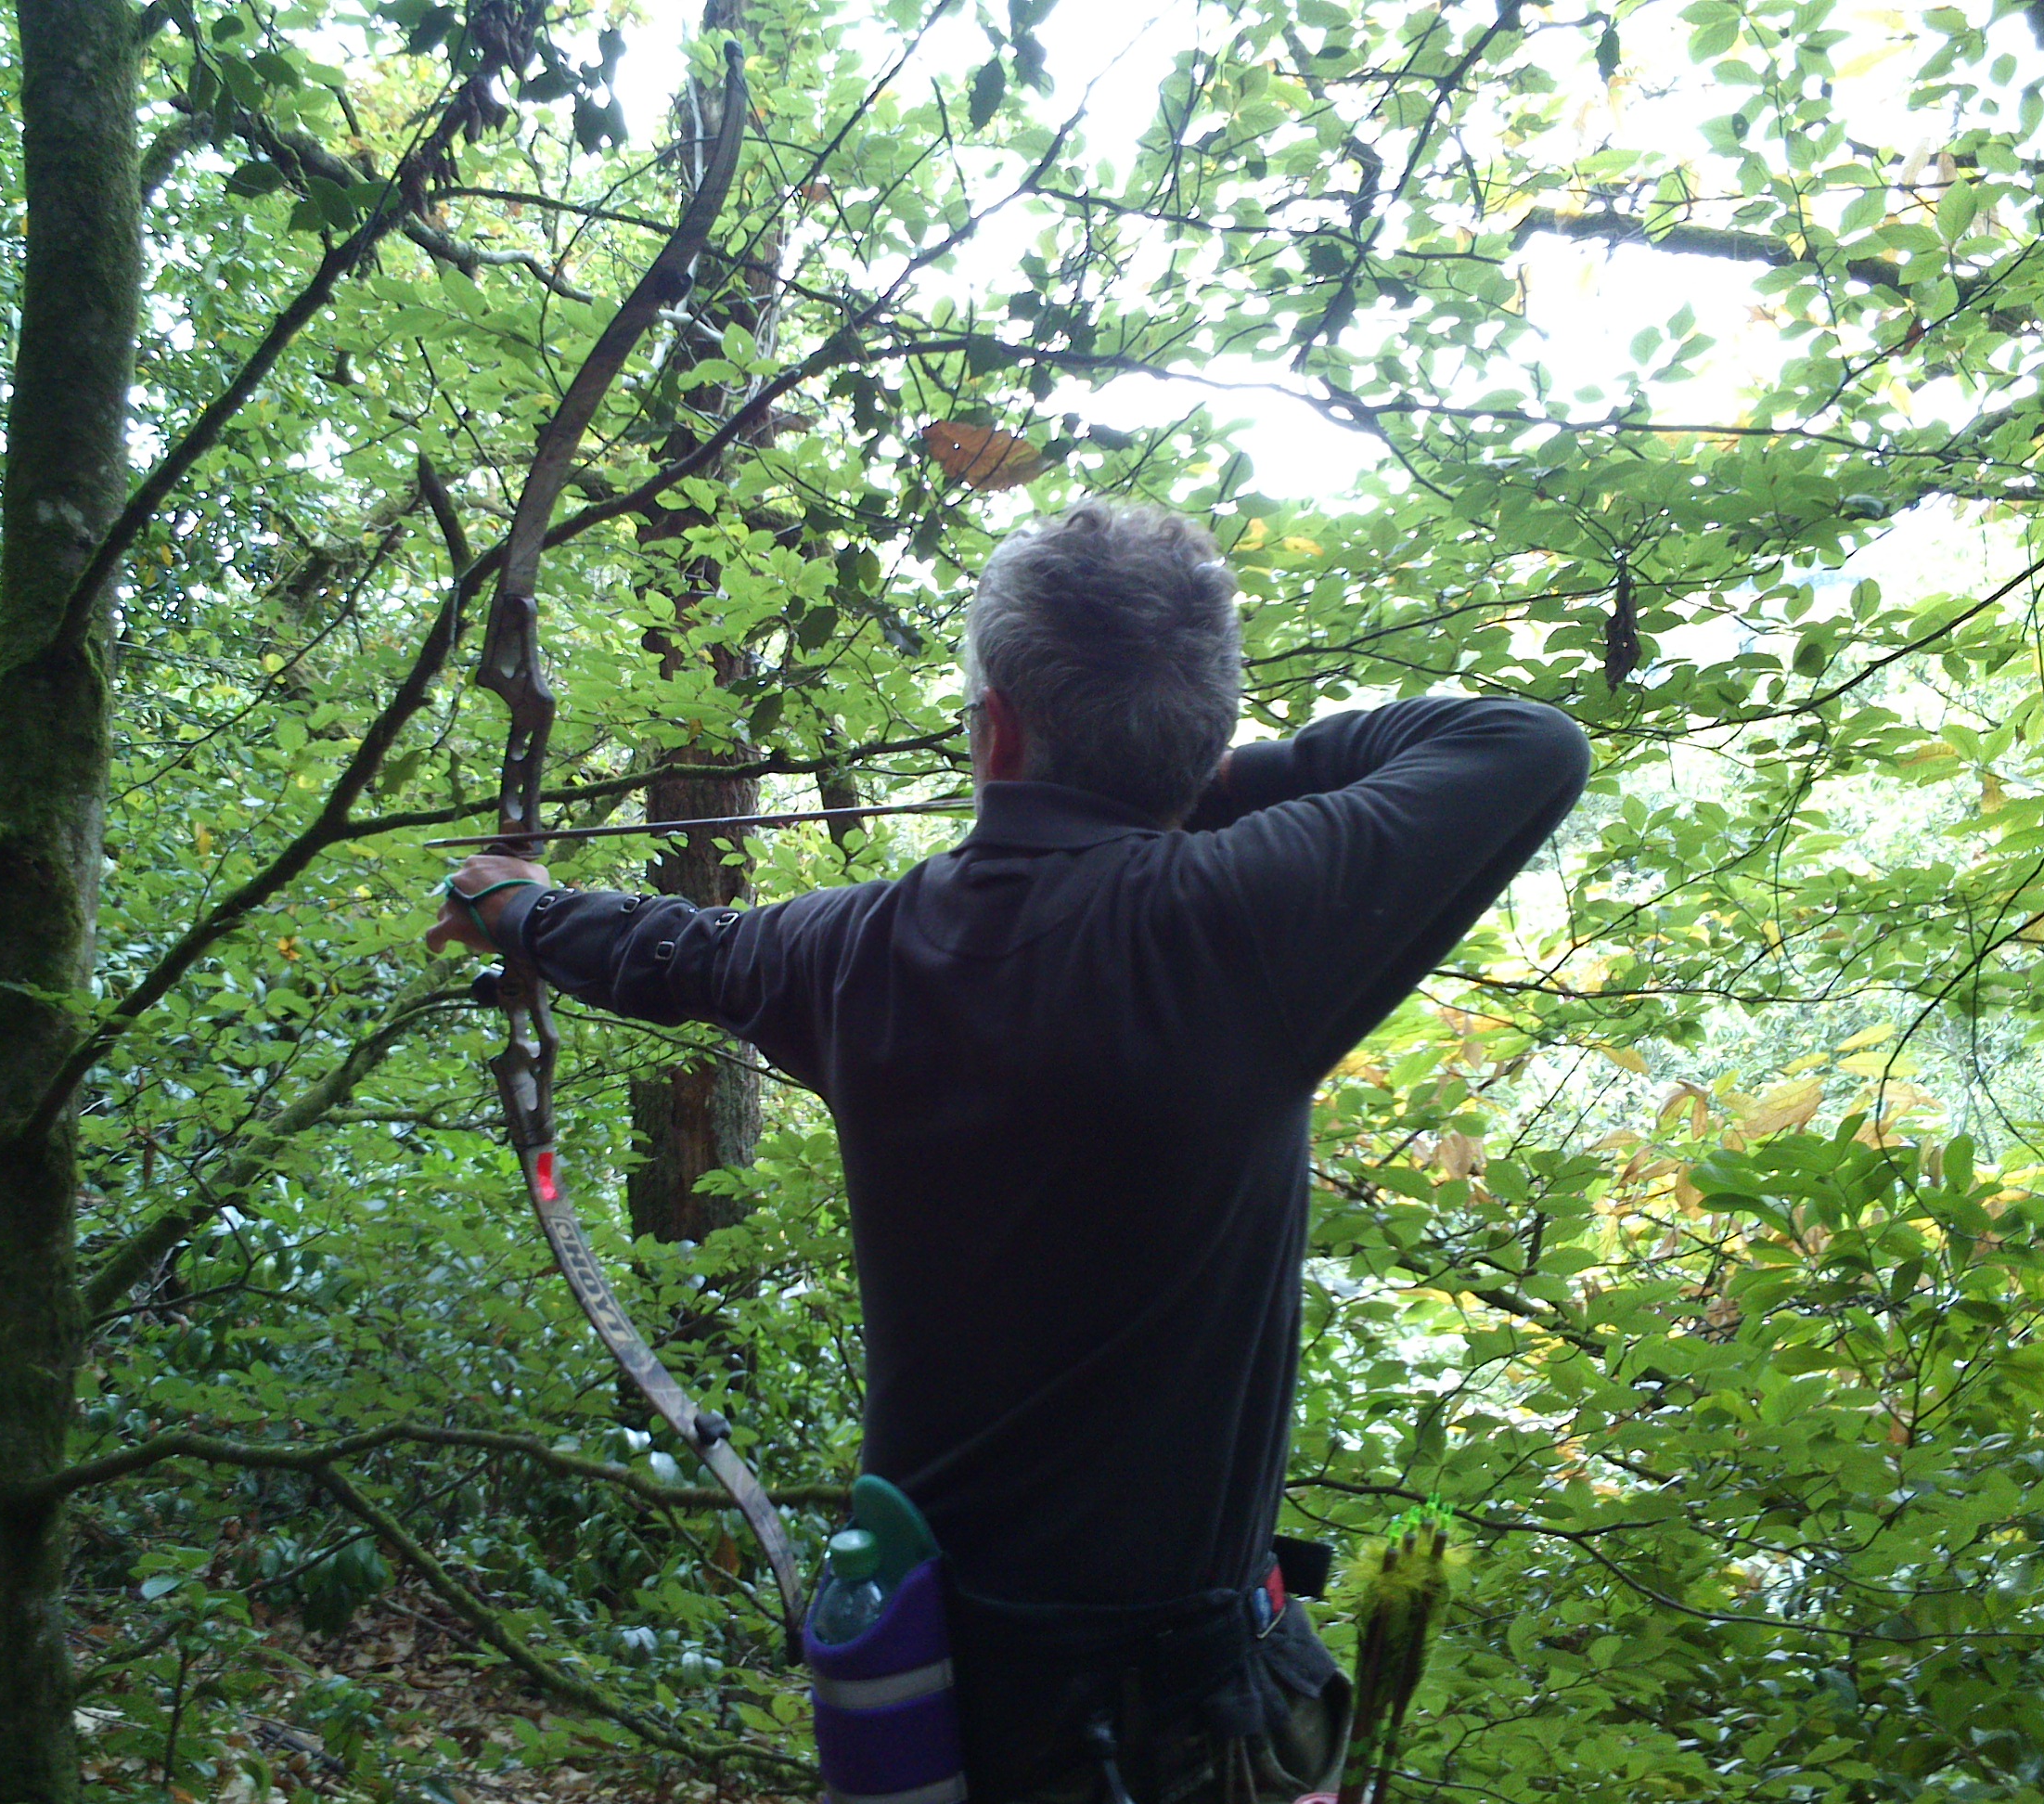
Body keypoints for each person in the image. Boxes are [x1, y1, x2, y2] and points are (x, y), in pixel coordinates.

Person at [427, 498, 1589, 1803]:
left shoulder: (853, 950)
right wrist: (1210, 778)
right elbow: (1525, 743)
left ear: (994, 728)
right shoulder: (1237, 924)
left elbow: (673, 953)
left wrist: (518, 911)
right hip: (1174, 1727)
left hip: (939, 1703)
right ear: (1203, 733)